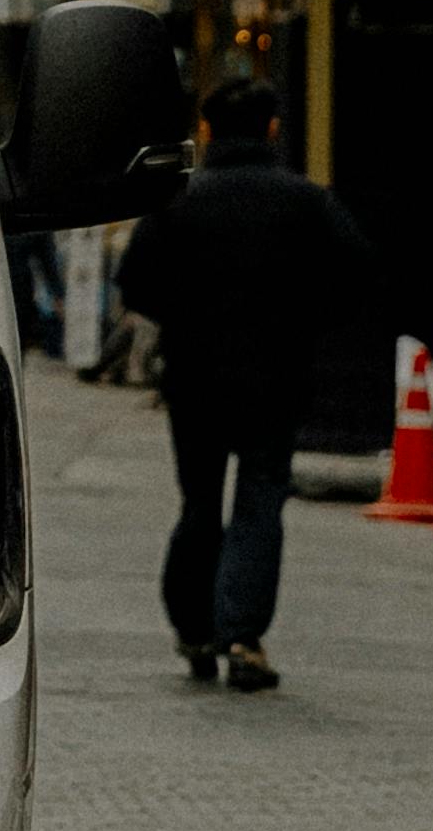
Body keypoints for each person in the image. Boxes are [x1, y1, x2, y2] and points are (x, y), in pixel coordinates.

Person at [111, 79, 374, 690]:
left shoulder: (177, 202)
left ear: (205, 132)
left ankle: (194, 627)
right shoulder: (306, 202)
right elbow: (358, 270)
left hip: (194, 380)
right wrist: (311, 321)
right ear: (274, 130)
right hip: (277, 377)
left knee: (199, 503)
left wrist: (184, 318)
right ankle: (243, 635)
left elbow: (136, 286)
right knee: (260, 501)